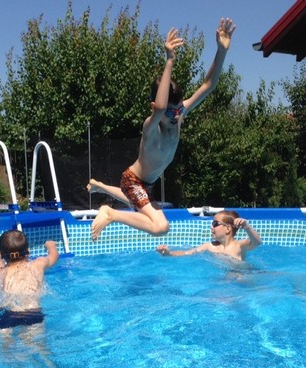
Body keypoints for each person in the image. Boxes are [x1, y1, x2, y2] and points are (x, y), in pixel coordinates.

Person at [89, 18, 237, 241]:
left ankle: (100, 186)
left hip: (145, 185)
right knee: (161, 227)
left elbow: (209, 85)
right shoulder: (151, 127)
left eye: (178, 109)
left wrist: (222, 51)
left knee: (138, 201)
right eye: (170, 111)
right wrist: (169, 60)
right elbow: (160, 107)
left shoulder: (179, 113)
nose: (176, 115)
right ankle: (110, 213)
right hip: (133, 181)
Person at [0, 229, 59, 368]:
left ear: (2, 254)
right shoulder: (38, 264)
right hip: (32, 314)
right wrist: (51, 246)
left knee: (8, 353)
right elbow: (54, 257)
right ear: (28, 251)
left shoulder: (2, 273)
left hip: (7, 316)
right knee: (40, 350)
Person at [156, 210, 261, 261]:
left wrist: (247, 226)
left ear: (228, 229)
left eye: (215, 224)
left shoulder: (239, 245)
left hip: (244, 276)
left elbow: (257, 242)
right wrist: (169, 253)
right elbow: (187, 253)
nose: (211, 227)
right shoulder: (209, 246)